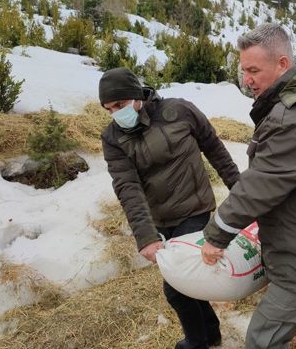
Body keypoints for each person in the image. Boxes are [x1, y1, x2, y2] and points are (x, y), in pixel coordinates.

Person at [200, 23, 296, 348]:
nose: (247, 80)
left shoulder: (294, 118)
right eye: (244, 71)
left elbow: (260, 185)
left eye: (254, 70)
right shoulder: (295, 106)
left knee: (261, 340)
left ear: (282, 64)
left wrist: (217, 234)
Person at [98, 67, 240, 349]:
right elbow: (127, 186)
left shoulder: (179, 111)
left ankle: (197, 343)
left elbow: (214, 148)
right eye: (109, 109)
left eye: (121, 105)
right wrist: (146, 236)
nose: (116, 113)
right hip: (160, 217)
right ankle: (210, 332)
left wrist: (243, 192)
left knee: (176, 289)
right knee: (189, 280)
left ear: (137, 96)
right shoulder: (113, 137)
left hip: (194, 207)